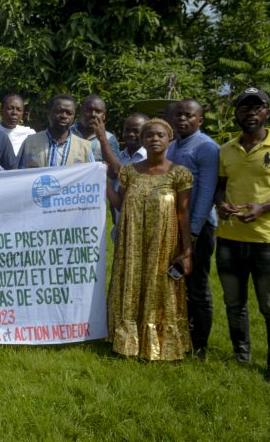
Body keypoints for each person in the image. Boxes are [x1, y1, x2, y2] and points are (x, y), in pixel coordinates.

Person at [215, 87, 270, 387]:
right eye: (244, 108)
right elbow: (220, 186)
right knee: (234, 303)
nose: (250, 113)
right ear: (236, 114)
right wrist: (221, 204)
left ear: (267, 112)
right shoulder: (226, 149)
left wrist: (265, 207)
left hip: (267, 241)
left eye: (257, 107)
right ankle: (241, 356)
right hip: (229, 238)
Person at [107, 118, 193, 360]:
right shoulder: (129, 172)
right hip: (132, 241)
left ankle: (161, 342)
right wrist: (102, 181)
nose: (155, 139)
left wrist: (187, 251)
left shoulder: (180, 174)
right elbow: (120, 203)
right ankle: (127, 341)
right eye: (149, 135)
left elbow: (183, 213)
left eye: (160, 135)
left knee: (159, 286)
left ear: (169, 139)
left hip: (163, 243)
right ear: (142, 141)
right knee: (131, 284)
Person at [167, 99, 219, 359]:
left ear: (200, 120)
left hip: (199, 227)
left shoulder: (206, 147)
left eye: (188, 115)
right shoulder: (172, 146)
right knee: (177, 281)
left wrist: (194, 233)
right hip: (175, 226)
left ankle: (199, 345)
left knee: (197, 287)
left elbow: (207, 193)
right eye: (178, 115)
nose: (182, 119)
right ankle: (181, 336)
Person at [18, 94, 93, 169]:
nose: (64, 116)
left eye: (69, 113)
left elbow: (92, 173)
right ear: (48, 113)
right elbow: (19, 173)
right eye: (59, 111)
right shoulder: (30, 142)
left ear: (74, 116)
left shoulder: (84, 148)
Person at [110, 113, 148, 241]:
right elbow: (113, 190)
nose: (131, 134)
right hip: (120, 224)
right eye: (127, 130)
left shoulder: (152, 158)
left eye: (136, 131)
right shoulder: (118, 159)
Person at [70, 94, 121, 177]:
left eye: (98, 111)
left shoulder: (110, 138)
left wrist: (102, 138)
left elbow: (115, 171)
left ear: (104, 115)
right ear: (80, 111)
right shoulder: (67, 134)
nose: (93, 114)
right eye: (88, 110)